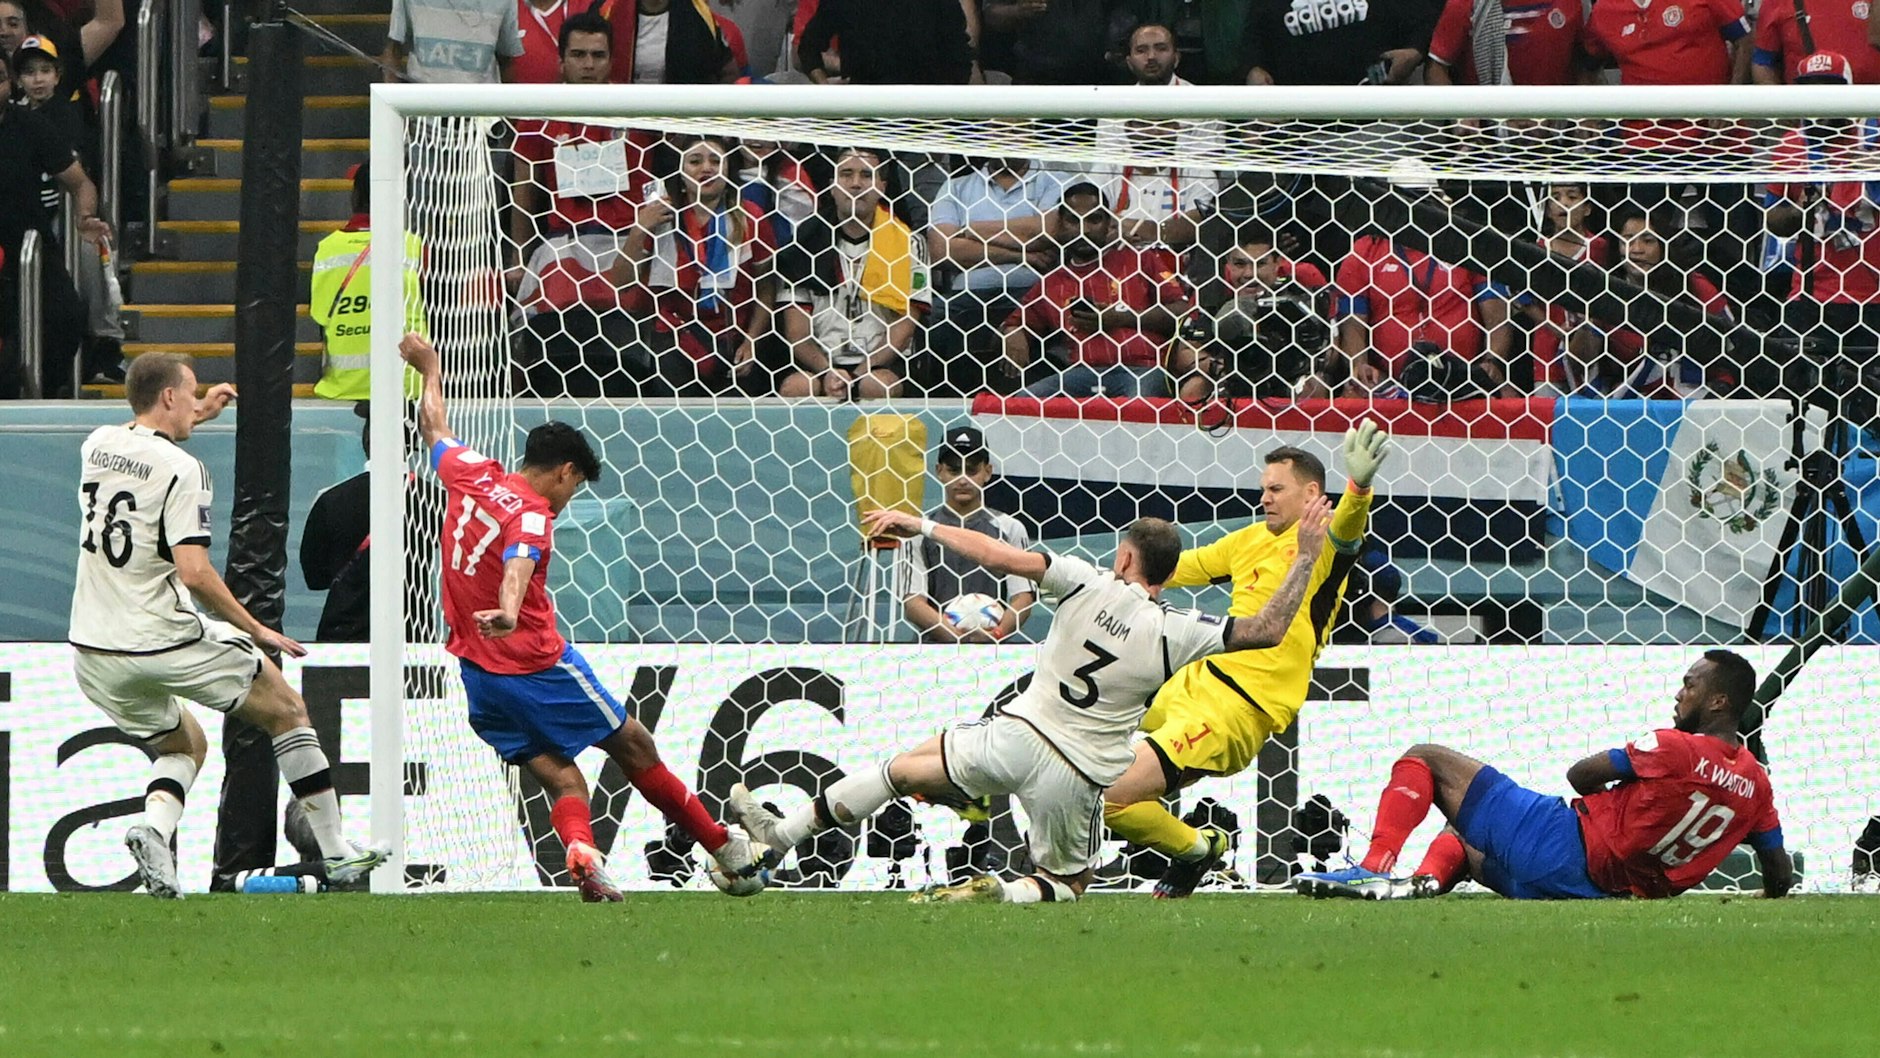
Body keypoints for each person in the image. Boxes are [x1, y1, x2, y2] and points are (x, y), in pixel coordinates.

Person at [730, 497, 1336, 904]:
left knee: (898, 769)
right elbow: (1266, 632)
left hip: (1015, 736)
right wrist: (1307, 556)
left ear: (1124, 557)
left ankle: (781, 839)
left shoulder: (1081, 579)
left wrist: (922, 526)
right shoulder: (1180, 629)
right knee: (1069, 883)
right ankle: (1006, 891)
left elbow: (995, 555)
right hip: (1075, 775)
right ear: (1169, 572)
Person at [398, 331, 764, 900]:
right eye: (576, 486)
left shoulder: (472, 474)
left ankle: (582, 855)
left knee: (562, 777)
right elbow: (520, 558)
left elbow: (435, 429)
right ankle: (725, 849)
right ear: (566, 471)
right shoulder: (536, 512)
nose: (571, 498)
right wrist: (513, 610)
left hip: (476, 674)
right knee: (636, 745)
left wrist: (429, 368)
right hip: (536, 665)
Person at [68, 353, 388, 898]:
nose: (198, 403)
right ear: (169, 397)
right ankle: (336, 853)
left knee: (185, 745)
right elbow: (193, 573)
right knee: (287, 709)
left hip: (92, 651)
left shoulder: (97, 442)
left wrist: (200, 414)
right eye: (190, 395)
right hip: (157, 639)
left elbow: (148, 446)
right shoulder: (187, 472)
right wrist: (256, 628)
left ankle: (154, 828)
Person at [1101, 429, 1389, 899]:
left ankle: (1200, 848)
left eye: (1276, 489)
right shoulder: (1246, 540)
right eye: (1263, 489)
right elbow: (1170, 569)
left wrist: (1358, 486)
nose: (1265, 498)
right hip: (1186, 684)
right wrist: (1092, 578)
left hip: (1233, 709)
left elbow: (1350, 524)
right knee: (1076, 768)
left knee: (1112, 797)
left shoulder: (1327, 544)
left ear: (1311, 493)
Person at [1296, 650, 1792, 901]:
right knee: (1464, 837)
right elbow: (1779, 871)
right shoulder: (1758, 786)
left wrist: (1614, 799)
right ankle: (1419, 884)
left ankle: (1375, 867)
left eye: (1690, 685)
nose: (1679, 695)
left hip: (1563, 843)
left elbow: (1580, 775)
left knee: (1424, 758)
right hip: (1599, 892)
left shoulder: (1672, 746)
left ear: (1719, 702)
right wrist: (1768, 895)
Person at [610, 134, 777, 395]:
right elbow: (620, 282)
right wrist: (639, 230)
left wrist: (752, 341)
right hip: (673, 341)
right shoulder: (659, 217)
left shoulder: (750, 217)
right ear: (680, 171)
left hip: (733, 343)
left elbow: (766, 288)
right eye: (695, 161)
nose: (706, 168)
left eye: (715, 161)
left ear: (727, 169)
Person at [1004, 182, 1189, 399]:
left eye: (1094, 219)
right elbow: (1015, 322)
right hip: (1082, 373)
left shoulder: (1139, 260)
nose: (1084, 230)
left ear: (1108, 223)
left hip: (1142, 369)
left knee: (1138, 408)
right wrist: (1013, 332)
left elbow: (1182, 311)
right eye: (1074, 220)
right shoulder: (1052, 283)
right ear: (1060, 225)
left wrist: (1122, 318)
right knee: (1023, 402)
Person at [775, 146, 927, 400]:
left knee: (876, 387)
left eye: (867, 175)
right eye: (846, 174)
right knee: (797, 388)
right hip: (820, 363)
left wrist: (859, 373)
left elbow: (905, 326)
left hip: (882, 363)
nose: (856, 184)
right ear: (832, 185)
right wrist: (829, 372)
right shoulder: (802, 244)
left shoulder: (909, 243)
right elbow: (796, 332)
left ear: (882, 185)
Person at [0, 46, 106, 398]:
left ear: (10, 84)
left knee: (67, 320)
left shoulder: (29, 125)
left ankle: (37, 391)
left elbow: (80, 183)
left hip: (29, 243)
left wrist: (84, 218)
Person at [926, 154, 1069, 392]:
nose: (1005, 137)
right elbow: (942, 250)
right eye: (996, 129)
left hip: (1035, 291)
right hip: (968, 295)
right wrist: (1021, 255)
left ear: (1030, 133)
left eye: (1014, 129)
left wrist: (973, 229)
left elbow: (1049, 231)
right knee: (935, 318)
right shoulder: (956, 186)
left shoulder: (1055, 180)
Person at [894, 426, 1036, 644]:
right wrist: (955, 637)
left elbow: (1023, 596)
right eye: (953, 470)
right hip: (932, 652)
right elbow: (913, 601)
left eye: (971, 471)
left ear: (987, 472)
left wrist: (995, 636)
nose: (962, 480)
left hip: (993, 651)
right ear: (938, 471)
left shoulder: (1011, 528)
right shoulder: (919, 531)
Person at [1168, 226, 1329, 401]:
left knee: (1314, 385)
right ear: (1227, 263)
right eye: (1239, 264)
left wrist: (1298, 363)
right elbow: (1185, 352)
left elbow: (1332, 349)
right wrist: (1220, 368)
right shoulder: (1211, 290)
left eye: (1260, 264)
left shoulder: (1302, 282)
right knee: (1194, 389)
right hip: (1229, 375)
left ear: (1277, 263)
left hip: (1289, 375)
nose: (1249, 274)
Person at [309, 161, 426, 402]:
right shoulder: (414, 247)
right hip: (407, 390)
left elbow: (320, 321)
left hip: (342, 390)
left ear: (355, 197)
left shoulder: (326, 250)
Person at [1240, 0, 1434, 85]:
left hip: (1376, 118)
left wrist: (1415, 50)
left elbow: (1429, 17)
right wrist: (1253, 69)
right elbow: (1254, 33)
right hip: (1297, 125)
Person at [796, 0, 974, 84]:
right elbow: (808, 48)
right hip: (864, 113)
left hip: (927, 114)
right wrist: (827, 92)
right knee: (855, 159)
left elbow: (960, 57)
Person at [1425, 0, 1584, 86]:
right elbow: (1436, 67)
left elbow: (1587, 67)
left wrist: (1585, 116)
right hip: (1487, 131)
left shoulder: (1575, 4)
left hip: (1557, 127)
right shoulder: (1466, 4)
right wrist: (1461, 115)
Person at [591, 0, 736, 84]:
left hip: (681, 120)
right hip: (617, 116)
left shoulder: (698, 13)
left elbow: (728, 72)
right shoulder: (607, 10)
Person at [384, 0, 523, 83]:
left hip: (482, 119)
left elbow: (507, 60)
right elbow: (393, 50)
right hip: (424, 118)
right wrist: (393, 116)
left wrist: (507, 115)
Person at [1753, 1, 1878, 84]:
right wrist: (1780, 110)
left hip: (1871, 112)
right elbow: (1762, 62)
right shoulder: (1777, 3)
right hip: (1809, 113)